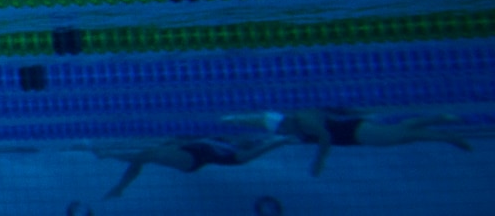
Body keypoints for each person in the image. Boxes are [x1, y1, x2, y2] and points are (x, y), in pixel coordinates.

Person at [256, 108, 473, 175]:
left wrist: (319, 162)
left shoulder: (304, 121)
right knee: (400, 134)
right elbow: (333, 109)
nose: (286, 131)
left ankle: (448, 135)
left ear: (285, 121)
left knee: (402, 136)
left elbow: (325, 136)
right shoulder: (299, 124)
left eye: (284, 128)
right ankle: (440, 119)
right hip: (357, 132)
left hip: (357, 133)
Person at [83, 136, 286, 198]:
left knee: (149, 155)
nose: (246, 143)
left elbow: (254, 153)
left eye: (249, 143)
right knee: (145, 156)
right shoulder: (229, 142)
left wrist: (283, 141)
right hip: (187, 151)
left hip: (191, 161)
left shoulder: (238, 155)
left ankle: (105, 155)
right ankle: (119, 185)